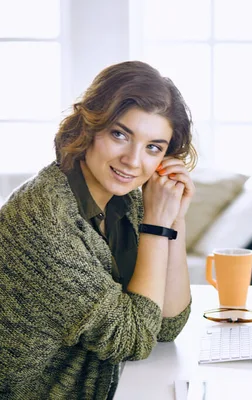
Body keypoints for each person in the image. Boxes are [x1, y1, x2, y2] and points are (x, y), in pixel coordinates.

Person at [0, 60, 197, 399]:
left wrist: (172, 220)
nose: (133, 161)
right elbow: (133, 339)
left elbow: (165, 325)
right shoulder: (46, 221)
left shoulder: (126, 201)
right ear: (89, 126)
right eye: (120, 134)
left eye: (153, 147)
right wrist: (154, 228)